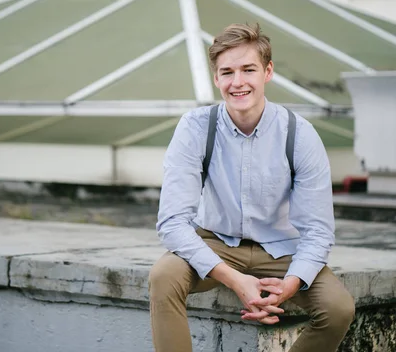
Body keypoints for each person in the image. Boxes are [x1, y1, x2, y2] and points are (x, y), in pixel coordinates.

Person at [148, 23, 355, 352]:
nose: (238, 82)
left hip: (281, 250)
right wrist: (234, 279)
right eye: (227, 72)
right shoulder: (195, 127)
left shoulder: (299, 134)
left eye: (248, 69)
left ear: (267, 71)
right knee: (163, 277)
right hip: (216, 242)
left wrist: (290, 284)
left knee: (338, 308)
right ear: (216, 78)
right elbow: (172, 221)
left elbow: (318, 230)